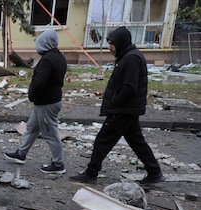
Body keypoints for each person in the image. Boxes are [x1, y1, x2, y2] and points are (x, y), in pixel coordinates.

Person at [70, 26, 164, 185]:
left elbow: (129, 86)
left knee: (102, 140)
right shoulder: (127, 56)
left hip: (123, 110)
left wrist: (115, 102)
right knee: (136, 141)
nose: (109, 47)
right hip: (127, 109)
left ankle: (91, 173)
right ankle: (154, 172)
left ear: (120, 43)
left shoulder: (131, 58)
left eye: (112, 44)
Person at [3, 29, 67, 174]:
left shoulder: (47, 60)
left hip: (46, 102)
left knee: (50, 133)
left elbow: (40, 82)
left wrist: (32, 95)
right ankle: (21, 154)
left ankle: (58, 164)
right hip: (50, 100)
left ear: (45, 44)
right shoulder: (59, 57)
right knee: (32, 128)